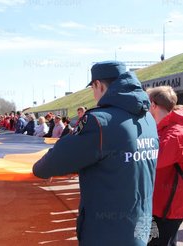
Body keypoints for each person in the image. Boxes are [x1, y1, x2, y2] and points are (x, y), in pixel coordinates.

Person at [32, 61, 159, 246]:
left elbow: (55, 161)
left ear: (98, 84)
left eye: (93, 87)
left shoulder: (99, 121)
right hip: (139, 223)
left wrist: (39, 169)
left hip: (106, 231)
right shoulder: (147, 118)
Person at [146, 86, 183, 246]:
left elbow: (152, 161)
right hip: (158, 206)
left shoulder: (175, 133)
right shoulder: (163, 128)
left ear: (153, 105)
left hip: (168, 210)